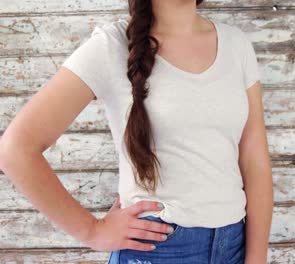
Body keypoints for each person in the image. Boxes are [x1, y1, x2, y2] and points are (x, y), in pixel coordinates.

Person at [0, 0, 273, 263]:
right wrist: (92, 231)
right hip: (157, 249)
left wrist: (257, 256)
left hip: (235, 246)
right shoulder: (111, 46)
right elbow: (16, 148)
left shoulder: (236, 46)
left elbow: (255, 162)